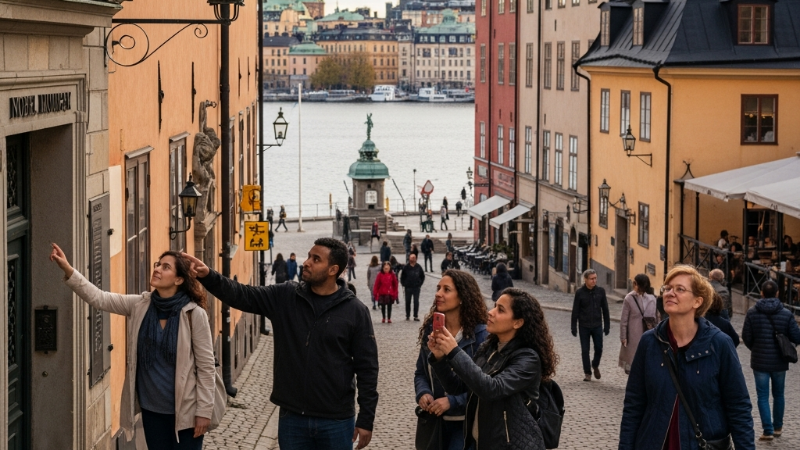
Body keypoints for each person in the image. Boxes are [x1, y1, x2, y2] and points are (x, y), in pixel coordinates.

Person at [183, 238, 379, 450]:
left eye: (316, 259)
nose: (306, 262)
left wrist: (366, 419)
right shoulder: (286, 296)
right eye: (309, 256)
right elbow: (242, 295)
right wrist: (207, 275)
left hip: (337, 420)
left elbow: (367, 368)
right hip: (293, 417)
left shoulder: (355, 311)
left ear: (333, 270)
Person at [50, 244, 215, 449]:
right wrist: (68, 269)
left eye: (165, 267)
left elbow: (207, 367)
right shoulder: (140, 305)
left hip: (187, 411)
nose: (157, 269)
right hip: (152, 410)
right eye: (158, 264)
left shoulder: (193, 314)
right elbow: (100, 298)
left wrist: (204, 412)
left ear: (179, 279)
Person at [619, 265, 754, 450]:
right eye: (667, 288)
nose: (670, 293)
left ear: (697, 301)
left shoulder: (719, 344)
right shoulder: (649, 342)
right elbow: (634, 403)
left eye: (679, 289)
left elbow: (739, 408)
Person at [426, 288, 558, 450]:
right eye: (494, 306)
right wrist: (440, 358)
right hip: (480, 442)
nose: (491, 312)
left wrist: (455, 352)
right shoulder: (488, 348)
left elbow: (491, 389)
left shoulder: (528, 359)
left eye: (500, 310)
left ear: (517, 322)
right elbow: (458, 387)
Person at [414, 270, 489, 450]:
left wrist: (453, 402)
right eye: (438, 288)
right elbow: (421, 372)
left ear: (462, 296)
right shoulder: (431, 332)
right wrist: (423, 393)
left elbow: (486, 386)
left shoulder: (481, 335)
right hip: (435, 421)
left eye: (446, 289)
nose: (438, 293)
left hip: (465, 424)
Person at [742, 280, 800, 441]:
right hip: (780, 361)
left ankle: (767, 430)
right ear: (777, 293)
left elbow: (746, 336)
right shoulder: (786, 314)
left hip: (760, 360)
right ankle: (778, 427)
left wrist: (756, 347)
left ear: (761, 293)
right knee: (779, 394)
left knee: (762, 396)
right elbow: (797, 336)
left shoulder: (752, 312)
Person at [571, 269, 610, 381]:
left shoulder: (600, 291)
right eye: (592, 279)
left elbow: (605, 309)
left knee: (599, 348)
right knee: (585, 350)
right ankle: (587, 373)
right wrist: (573, 327)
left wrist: (607, 325)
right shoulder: (580, 293)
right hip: (584, 325)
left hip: (597, 324)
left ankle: (595, 364)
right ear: (586, 279)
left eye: (595, 278)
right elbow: (575, 311)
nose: (594, 281)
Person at [618, 274, 657, 375]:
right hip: (633, 335)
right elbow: (624, 320)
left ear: (638, 284)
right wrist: (623, 336)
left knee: (646, 361)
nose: (633, 285)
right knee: (632, 362)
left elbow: (656, 317)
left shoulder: (652, 298)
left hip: (648, 333)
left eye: (634, 283)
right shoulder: (629, 298)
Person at [400, 254, 426, 321]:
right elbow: (402, 277)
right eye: (411, 257)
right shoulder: (406, 267)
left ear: (416, 258)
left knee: (416, 301)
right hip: (408, 287)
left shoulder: (418, 267)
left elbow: (422, 276)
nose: (413, 259)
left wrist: (420, 284)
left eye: (414, 257)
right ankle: (407, 315)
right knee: (408, 301)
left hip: (416, 287)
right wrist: (404, 284)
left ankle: (415, 315)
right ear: (409, 258)